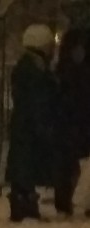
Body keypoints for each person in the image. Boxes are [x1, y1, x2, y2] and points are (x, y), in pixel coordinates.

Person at [5, 24, 57, 222]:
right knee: (25, 166)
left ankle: (24, 204)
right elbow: (37, 99)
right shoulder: (32, 70)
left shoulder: (29, 67)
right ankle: (23, 206)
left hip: (26, 126)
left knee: (24, 166)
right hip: (29, 127)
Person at [53, 27, 90, 216]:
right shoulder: (71, 72)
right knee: (71, 164)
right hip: (73, 122)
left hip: (76, 122)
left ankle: (69, 201)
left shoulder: (68, 71)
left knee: (75, 164)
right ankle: (66, 201)